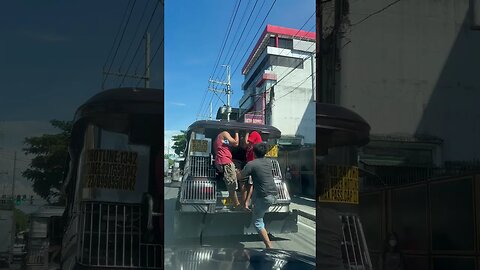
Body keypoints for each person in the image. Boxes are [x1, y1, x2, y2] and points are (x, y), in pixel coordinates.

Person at [239, 143, 278, 248]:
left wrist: (236, 171)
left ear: (254, 153)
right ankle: (250, 205)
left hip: (265, 197)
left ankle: (269, 246)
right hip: (274, 194)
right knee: (254, 189)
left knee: (257, 222)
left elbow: (241, 177)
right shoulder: (269, 162)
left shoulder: (251, 164)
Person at [213, 130, 241, 209]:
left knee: (231, 179)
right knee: (231, 183)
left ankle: (233, 200)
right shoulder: (225, 133)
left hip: (220, 161)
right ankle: (237, 204)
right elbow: (236, 143)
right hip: (225, 161)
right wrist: (237, 132)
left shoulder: (218, 139)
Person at [242, 131, 263, 209]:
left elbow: (246, 143)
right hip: (251, 163)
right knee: (249, 184)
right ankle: (246, 202)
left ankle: (246, 203)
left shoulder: (254, 133)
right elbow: (245, 145)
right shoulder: (253, 143)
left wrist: (246, 133)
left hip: (253, 164)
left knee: (250, 184)